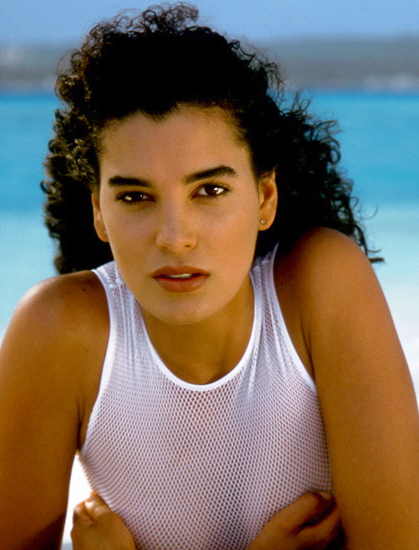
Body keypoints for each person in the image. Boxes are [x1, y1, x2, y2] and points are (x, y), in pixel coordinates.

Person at [0, 3, 418, 549]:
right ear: (99, 211)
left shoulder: (319, 284)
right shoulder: (58, 331)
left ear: (264, 197)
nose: (175, 237)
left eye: (210, 190)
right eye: (135, 197)